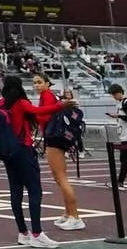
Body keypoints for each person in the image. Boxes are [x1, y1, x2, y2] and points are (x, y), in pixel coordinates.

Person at [0, 74, 73, 248]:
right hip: (23, 149)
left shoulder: (0, 104)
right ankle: (37, 233)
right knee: (34, 190)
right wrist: (60, 105)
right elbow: (38, 112)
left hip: (7, 151)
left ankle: (23, 232)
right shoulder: (21, 103)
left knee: (15, 191)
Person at [30, 73, 82, 232]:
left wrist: (34, 115)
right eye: (34, 83)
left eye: (39, 82)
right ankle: (68, 213)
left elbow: (45, 117)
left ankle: (75, 216)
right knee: (59, 178)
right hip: (52, 137)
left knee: (61, 177)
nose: (36, 85)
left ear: (47, 83)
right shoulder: (47, 96)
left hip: (53, 138)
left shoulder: (47, 95)